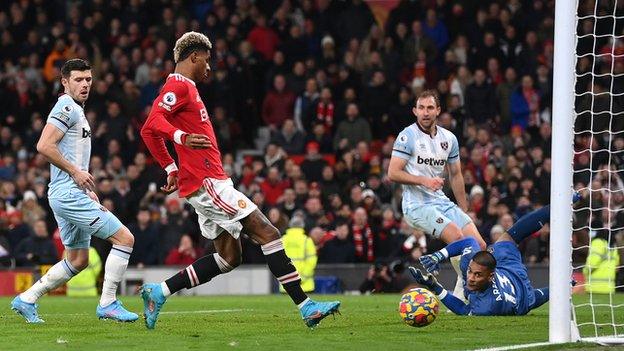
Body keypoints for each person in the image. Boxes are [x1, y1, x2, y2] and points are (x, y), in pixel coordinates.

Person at [140, 32, 339, 330]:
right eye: (206, 61)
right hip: (209, 183)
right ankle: (306, 306)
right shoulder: (178, 86)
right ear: (194, 56)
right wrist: (180, 139)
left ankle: (160, 291)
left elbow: (149, 132)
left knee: (230, 257)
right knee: (268, 233)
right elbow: (152, 122)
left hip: (204, 184)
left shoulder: (188, 89)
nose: (209, 67)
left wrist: (170, 167)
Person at [11, 59, 138, 323]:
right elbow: (44, 145)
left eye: (88, 80)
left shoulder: (76, 110)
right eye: (78, 80)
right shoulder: (66, 106)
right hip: (68, 193)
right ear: (65, 82)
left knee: (78, 260)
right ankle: (108, 303)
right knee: (125, 239)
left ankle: (26, 299)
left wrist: (83, 186)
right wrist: (76, 173)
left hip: (68, 193)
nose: (85, 85)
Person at [387, 89, 486, 299]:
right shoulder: (407, 136)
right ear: (414, 111)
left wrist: (464, 209)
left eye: (430, 107)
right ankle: (464, 295)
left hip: (441, 201)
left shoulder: (448, 138)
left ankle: (463, 290)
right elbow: (393, 172)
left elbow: (456, 174)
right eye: (421, 108)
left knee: (479, 245)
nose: (425, 112)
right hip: (417, 205)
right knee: (458, 238)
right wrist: (424, 180)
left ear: (438, 110)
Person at [410, 196, 579, 315]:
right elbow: (468, 242)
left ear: (491, 276)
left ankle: (560, 203)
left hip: (520, 293)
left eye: (477, 275)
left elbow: (463, 310)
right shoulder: (472, 264)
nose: (470, 278)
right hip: (512, 270)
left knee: (531, 301)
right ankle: (559, 204)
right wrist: (437, 256)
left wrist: (435, 288)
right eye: (470, 272)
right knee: (509, 237)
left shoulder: (488, 307)